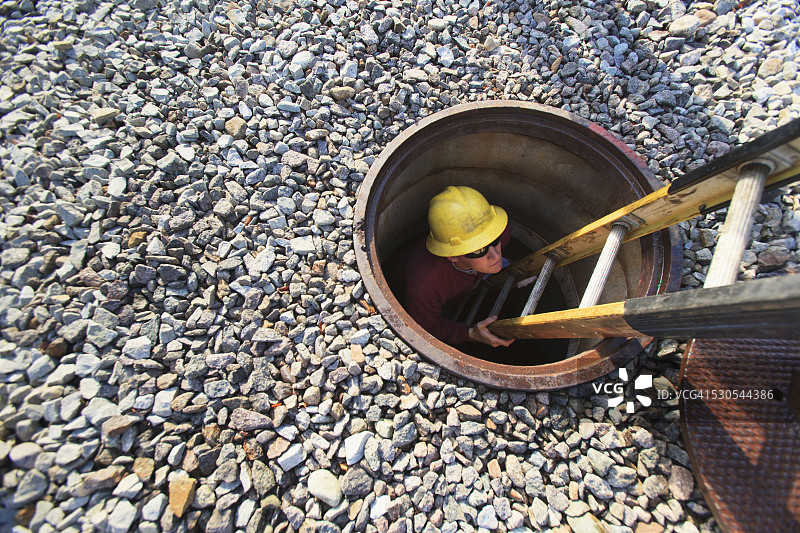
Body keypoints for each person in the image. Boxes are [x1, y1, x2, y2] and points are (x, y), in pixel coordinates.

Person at [404, 186, 516, 348]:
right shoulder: (426, 285)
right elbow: (425, 328)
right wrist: (470, 333)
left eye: (493, 240)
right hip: (435, 304)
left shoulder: (500, 231)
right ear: (453, 256)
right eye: (478, 250)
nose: (496, 255)